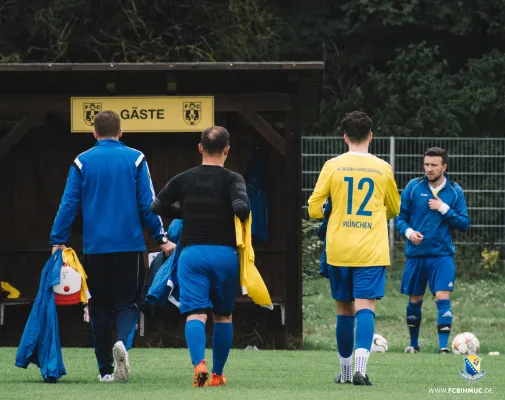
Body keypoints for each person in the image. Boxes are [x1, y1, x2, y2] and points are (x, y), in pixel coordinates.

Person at [50, 110, 176, 383]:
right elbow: (149, 203)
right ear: (121, 133)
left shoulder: (81, 162)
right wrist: (161, 238)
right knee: (128, 304)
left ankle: (105, 369)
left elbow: (68, 204)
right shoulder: (136, 158)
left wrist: (57, 240)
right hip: (129, 247)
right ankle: (123, 346)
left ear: (94, 133)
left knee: (99, 308)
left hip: (95, 249)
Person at [151, 126, 250, 388]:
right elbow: (242, 208)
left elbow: (156, 206)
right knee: (223, 315)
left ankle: (199, 366)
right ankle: (217, 374)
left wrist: (187, 212)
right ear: (227, 150)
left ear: (200, 148)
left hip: (192, 254)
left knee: (195, 313)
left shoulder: (184, 178)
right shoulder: (233, 179)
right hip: (225, 255)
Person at [308, 111, 400, 386]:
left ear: (345, 136)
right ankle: (361, 369)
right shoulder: (383, 168)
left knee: (344, 311)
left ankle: (346, 373)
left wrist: (330, 209)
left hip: (339, 249)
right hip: (371, 250)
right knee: (365, 308)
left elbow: (314, 208)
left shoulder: (332, 166)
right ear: (371, 136)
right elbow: (394, 208)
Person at [395, 147, 469, 354]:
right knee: (414, 300)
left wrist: (444, 208)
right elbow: (400, 218)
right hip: (416, 255)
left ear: (444, 167)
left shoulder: (455, 191)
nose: (429, 169)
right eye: (426, 164)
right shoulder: (413, 187)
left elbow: (464, 223)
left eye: (434, 165)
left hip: (442, 255)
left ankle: (443, 347)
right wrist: (409, 233)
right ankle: (413, 345)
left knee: (442, 298)